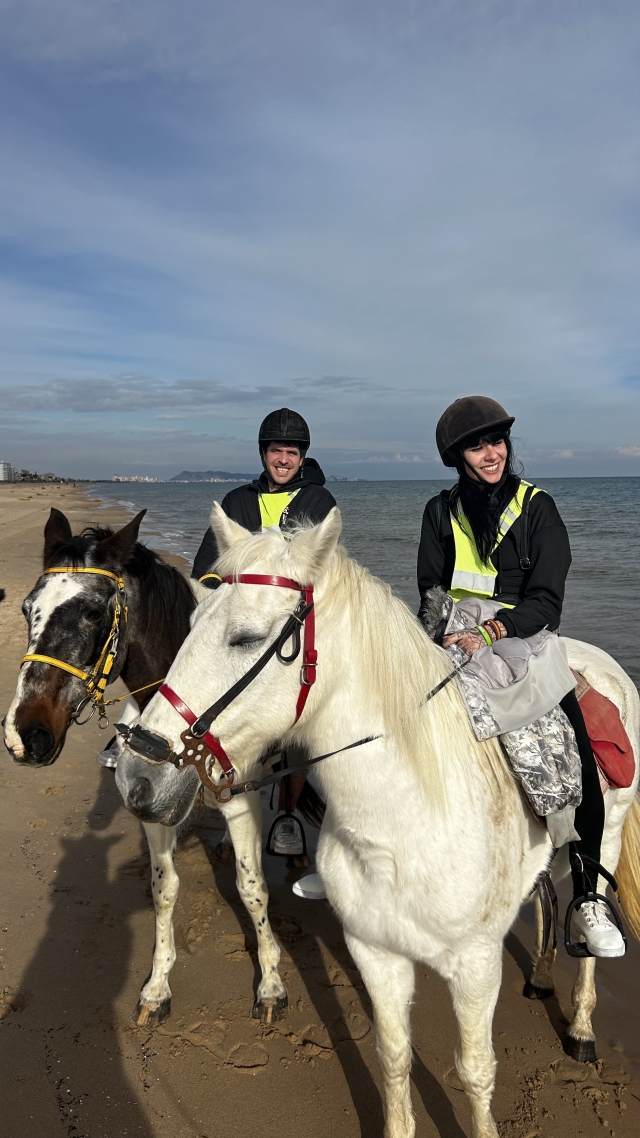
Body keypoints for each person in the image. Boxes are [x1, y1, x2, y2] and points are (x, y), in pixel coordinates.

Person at [417, 395, 625, 958]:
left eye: (498, 441)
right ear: (457, 456)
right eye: (477, 445)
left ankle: (589, 895)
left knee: (573, 749)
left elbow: (547, 600)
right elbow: (431, 592)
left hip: (522, 637)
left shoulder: (539, 508)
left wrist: (491, 632)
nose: (492, 454)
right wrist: (440, 633)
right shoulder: (440, 511)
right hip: (453, 636)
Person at [192, 407, 336, 859]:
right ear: (264, 453)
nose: (284, 458)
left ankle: (288, 815)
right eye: (277, 450)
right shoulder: (236, 500)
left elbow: (323, 571)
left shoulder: (319, 503)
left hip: (295, 623)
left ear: (301, 456)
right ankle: (234, 804)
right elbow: (207, 570)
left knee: (296, 717)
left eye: (292, 452)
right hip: (242, 626)